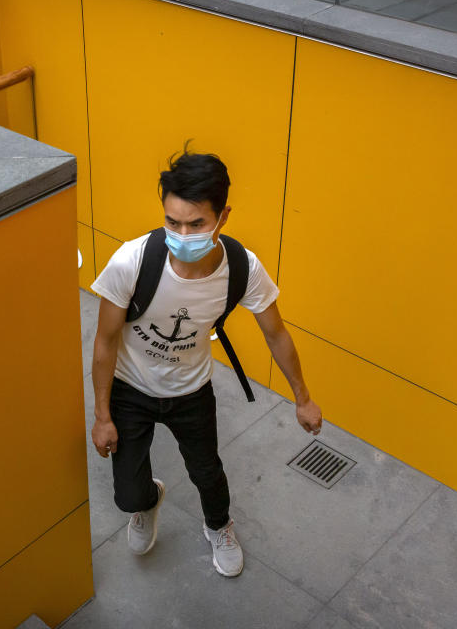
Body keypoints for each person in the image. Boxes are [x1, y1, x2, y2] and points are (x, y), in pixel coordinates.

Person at [89, 144, 322, 578]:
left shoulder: (241, 268)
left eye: (196, 223)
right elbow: (104, 342)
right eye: (172, 222)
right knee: (127, 494)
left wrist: (303, 398)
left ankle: (220, 526)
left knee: (207, 472)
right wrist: (102, 415)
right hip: (130, 388)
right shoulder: (132, 261)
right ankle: (146, 503)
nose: (182, 234)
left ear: (223, 217)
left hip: (191, 390)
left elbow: (276, 333)